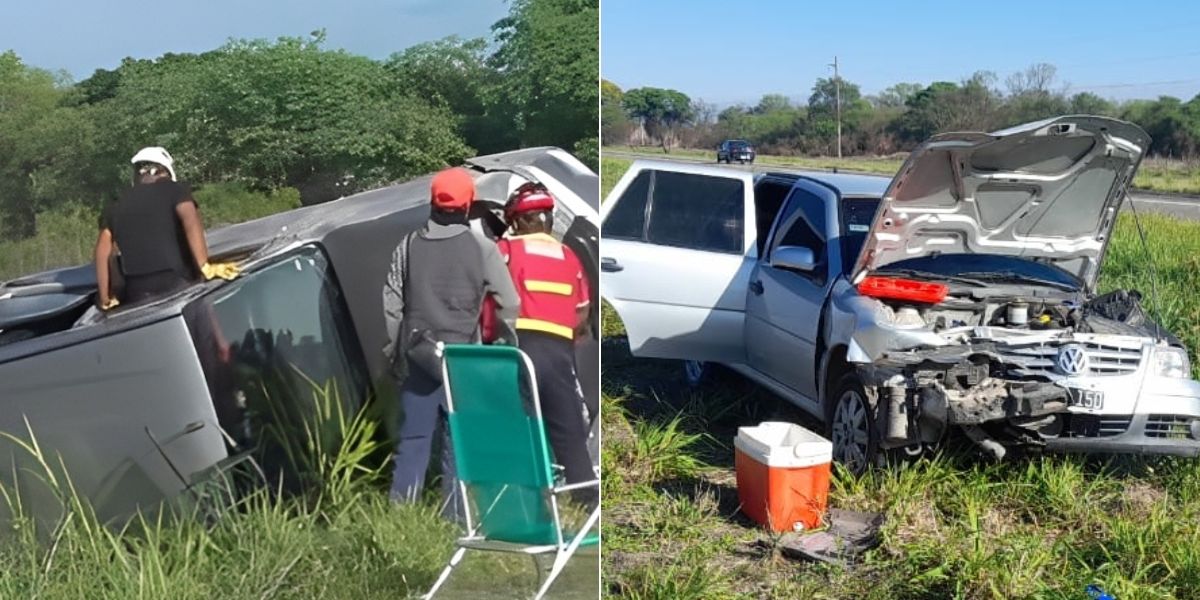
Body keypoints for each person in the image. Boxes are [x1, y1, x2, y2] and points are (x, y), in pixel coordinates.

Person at [382, 167, 519, 515]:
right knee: (456, 442)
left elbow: (392, 303)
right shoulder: (482, 247)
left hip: (419, 355)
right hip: (464, 357)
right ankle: (454, 517)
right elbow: (510, 302)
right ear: (469, 204)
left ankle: (400, 514)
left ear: (432, 201)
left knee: (414, 439)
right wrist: (503, 341)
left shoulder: (408, 245)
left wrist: (394, 352)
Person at [495, 183, 595, 502]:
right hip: (559, 350)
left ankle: (522, 499)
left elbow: (490, 301)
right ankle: (586, 498)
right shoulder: (568, 257)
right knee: (568, 429)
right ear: (548, 219)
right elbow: (582, 311)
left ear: (518, 221)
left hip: (518, 347)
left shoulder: (506, 251)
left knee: (515, 423)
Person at [94, 147, 237, 311]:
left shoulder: (116, 204)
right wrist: (204, 265)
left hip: (137, 288)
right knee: (203, 328)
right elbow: (190, 220)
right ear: (165, 171)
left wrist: (105, 297)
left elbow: (103, 252)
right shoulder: (175, 190)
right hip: (177, 280)